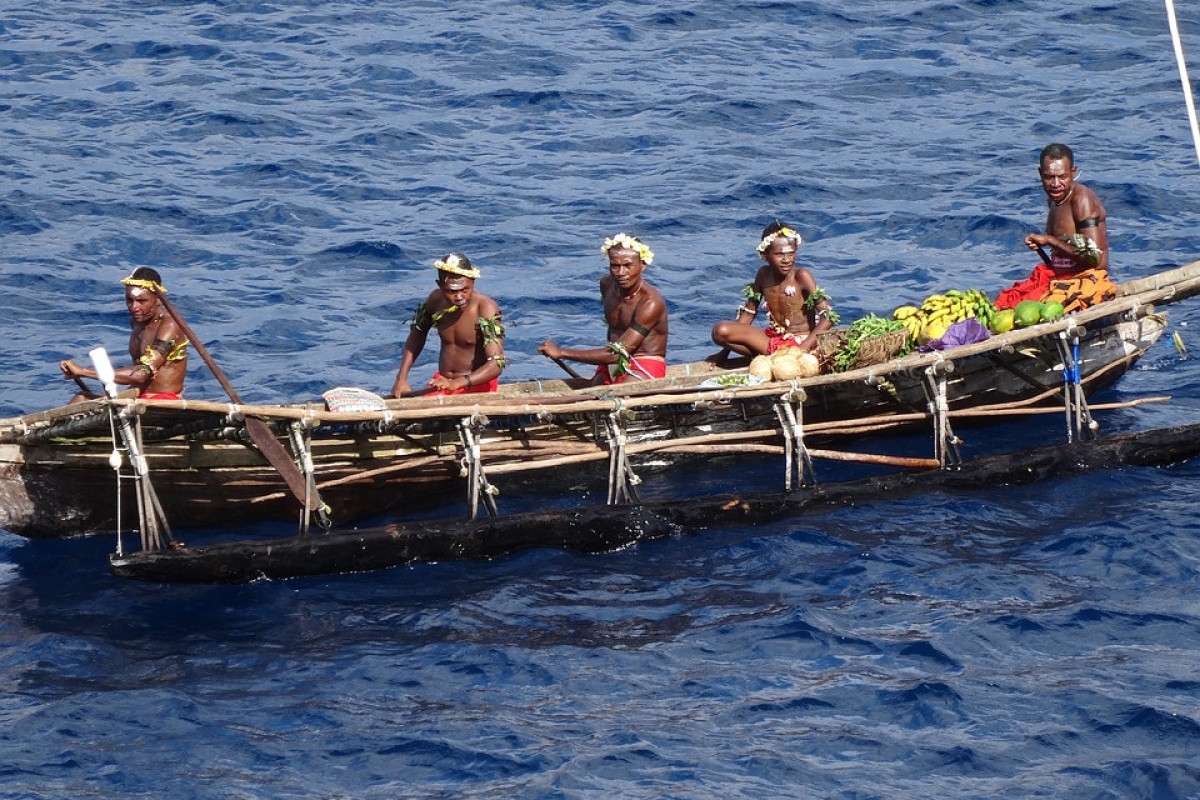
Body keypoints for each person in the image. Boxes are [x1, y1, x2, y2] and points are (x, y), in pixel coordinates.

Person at [996, 143, 1117, 312]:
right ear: (1040, 174)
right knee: (1006, 303)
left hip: (1085, 281)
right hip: (1057, 277)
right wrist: (1042, 245)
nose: (1055, 184)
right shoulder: (1054, 198)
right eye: (1049, 177)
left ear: (1073, 173)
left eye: (1062, 177)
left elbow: (1094, 258)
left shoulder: (1082, 200)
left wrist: (1049, 240)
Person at [538, 232, 669, 385]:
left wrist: (561, 353)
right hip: (611, 364)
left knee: (620, 397)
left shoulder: (650, 302)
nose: (621, 273)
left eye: (628, 266)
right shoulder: (607, 285)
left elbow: (616, 354)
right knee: (592, 393)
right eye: (615, 266)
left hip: (643, 364)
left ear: (642, 266)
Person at [707, 221, 837, 362]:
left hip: (802, 343)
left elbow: (828, 316)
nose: (786, 260)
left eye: (791, 253)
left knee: (722, 330)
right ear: (765, 255)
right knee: (720, 331)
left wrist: (802, 349)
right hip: (773, 341)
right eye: (779, 254)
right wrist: (724, 354)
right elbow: (748, 315)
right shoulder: (763, 275)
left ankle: (781, 359)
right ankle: (775, 358)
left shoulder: (802, 276)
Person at [59, 267, 189, 404]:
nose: (134, 307)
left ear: (158, 299)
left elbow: (142, 374)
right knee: (80, 398)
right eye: (129, 300)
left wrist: (83, 371)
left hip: (161, 401)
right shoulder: (137, 321)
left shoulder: (169, 326)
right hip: (136, 395)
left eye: (142, 301)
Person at [390, 252, 506, 397]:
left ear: (473, 282)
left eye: (465, 290)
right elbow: (417, 334)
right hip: (442, 383)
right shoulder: (435, 301)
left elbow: (496, 364)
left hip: (477, 386)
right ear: (440, 286)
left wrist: (456, 384)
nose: (459, 297)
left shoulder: (486, 308)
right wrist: (401, 379)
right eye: (451, 291)